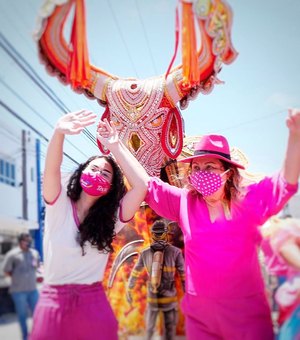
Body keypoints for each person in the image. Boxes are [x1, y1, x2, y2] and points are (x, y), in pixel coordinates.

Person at [121, 108, 300, 339]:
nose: (201, 173)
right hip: (200, 319)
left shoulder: (249, 200)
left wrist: (295, 136)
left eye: (210, 167)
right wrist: (116, 145)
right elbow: (145, 183)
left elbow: (285, 180)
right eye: (196, 168)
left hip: (247, 318)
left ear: (227, 173)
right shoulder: (184, 201)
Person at [30, 110, 148, 340]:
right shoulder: (58, 202)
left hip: (93, 304)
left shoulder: (111, 219)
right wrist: (59, 132)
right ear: (81, 171)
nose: (98, 174)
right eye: (93, 168)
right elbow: (52, 169)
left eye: (106, 174)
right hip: (53, 302)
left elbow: (141, 186)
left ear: (111, 186)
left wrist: (115, 146)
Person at [126, 220, 185, 340]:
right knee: (169, 329)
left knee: (150, 329)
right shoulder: (175, 252)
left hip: (152, 298)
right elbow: (183, 274)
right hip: (170, 299)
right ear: (166, 234)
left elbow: (135, 273)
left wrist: (130, 289)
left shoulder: (144, 253)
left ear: (152, 234)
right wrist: (187, 294)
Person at [3, 232, 40, 340]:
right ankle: (25, 337)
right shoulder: (12, 255)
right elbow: (6, 270)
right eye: (26, 240)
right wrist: (17, 278)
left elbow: (36, 265)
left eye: (30, 240)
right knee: (22, 315)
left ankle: (36, 335)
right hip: (18, 291)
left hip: (33, 290)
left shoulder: (34, 253)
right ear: (20, 242)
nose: (29, 242)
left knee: (37, 314)